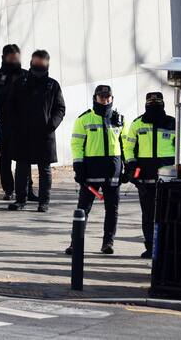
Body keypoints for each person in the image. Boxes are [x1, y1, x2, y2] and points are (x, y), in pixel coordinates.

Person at [123, 92, 181, 258]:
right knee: (148, 215)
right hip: (144, 179)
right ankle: (151, 247)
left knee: (170, 214)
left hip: (169, 179)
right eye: (151, 102)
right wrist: (131, 165)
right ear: (146, 104)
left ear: (162, 103)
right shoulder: (137, 124)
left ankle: (168, 247)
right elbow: (128, 147)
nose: (154, 105)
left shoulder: (172, 123)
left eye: (157, 102)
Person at [65, 85, 127, 255]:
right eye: (101, 97)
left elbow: (126, 145)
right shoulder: (84, 119)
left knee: (112, 209)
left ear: (112, 98)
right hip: (91, 170)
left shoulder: (119, 119)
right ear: (95, 98)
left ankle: (108, 243)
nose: (105, 100)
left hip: (112, 170)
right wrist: (78, 166)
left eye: (108, 97)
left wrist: (128, 167)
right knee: (83, 208)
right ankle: (75, 243)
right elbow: (77, 144)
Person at [6, 50, 66, 213]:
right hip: (23, 134)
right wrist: (16, 125)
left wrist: (51, 124)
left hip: (44, 134)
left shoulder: (52, 85)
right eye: (36, 62)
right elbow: (10, 106)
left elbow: (60, 108)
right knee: (21, 168)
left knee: (44, 170)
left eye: (42, 63)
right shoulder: (21, 82)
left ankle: (44, 201)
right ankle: (20, 200)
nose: (38, 65)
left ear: (47, 64)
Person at [0, 44, 38, 202]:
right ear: (4, 58)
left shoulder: (26, 75)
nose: (15, 61)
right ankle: (9, 189)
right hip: (4, 124)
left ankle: (27, 189)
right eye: (11, 59)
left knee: (25, 158)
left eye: (17, 58)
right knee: (5, 158)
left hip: (23, 125)